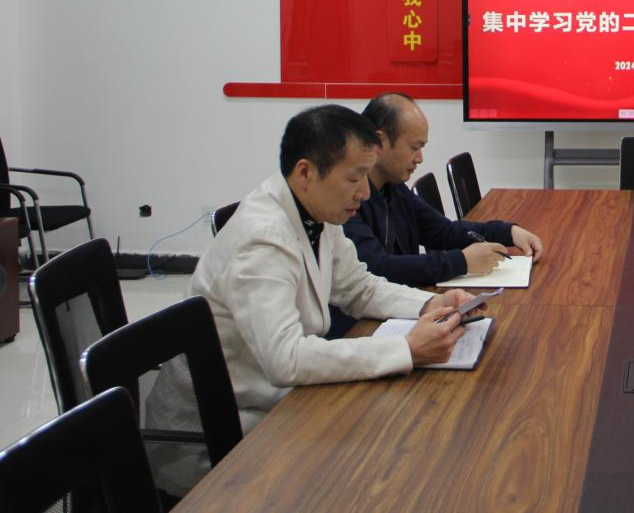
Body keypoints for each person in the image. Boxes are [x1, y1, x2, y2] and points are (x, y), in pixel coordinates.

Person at [146, 105, 476, 492]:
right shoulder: (261, 238)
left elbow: (357, 287)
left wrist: (428, 304)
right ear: (305, 172)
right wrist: (405, 349)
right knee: (385, 461)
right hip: (215, 437)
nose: (364, 192)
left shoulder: (316, 211)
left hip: (276, 403)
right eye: (354, 178)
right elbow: (286, 359)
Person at [328, 93, 544, 336]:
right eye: (414, 147)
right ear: (379, 141)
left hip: (395, 314)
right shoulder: (346, 202)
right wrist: (461, 261)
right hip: (357, 329)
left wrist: (507, 231)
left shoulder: (394, 189)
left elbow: (444, 232)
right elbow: (378, 268)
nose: (420, 158)